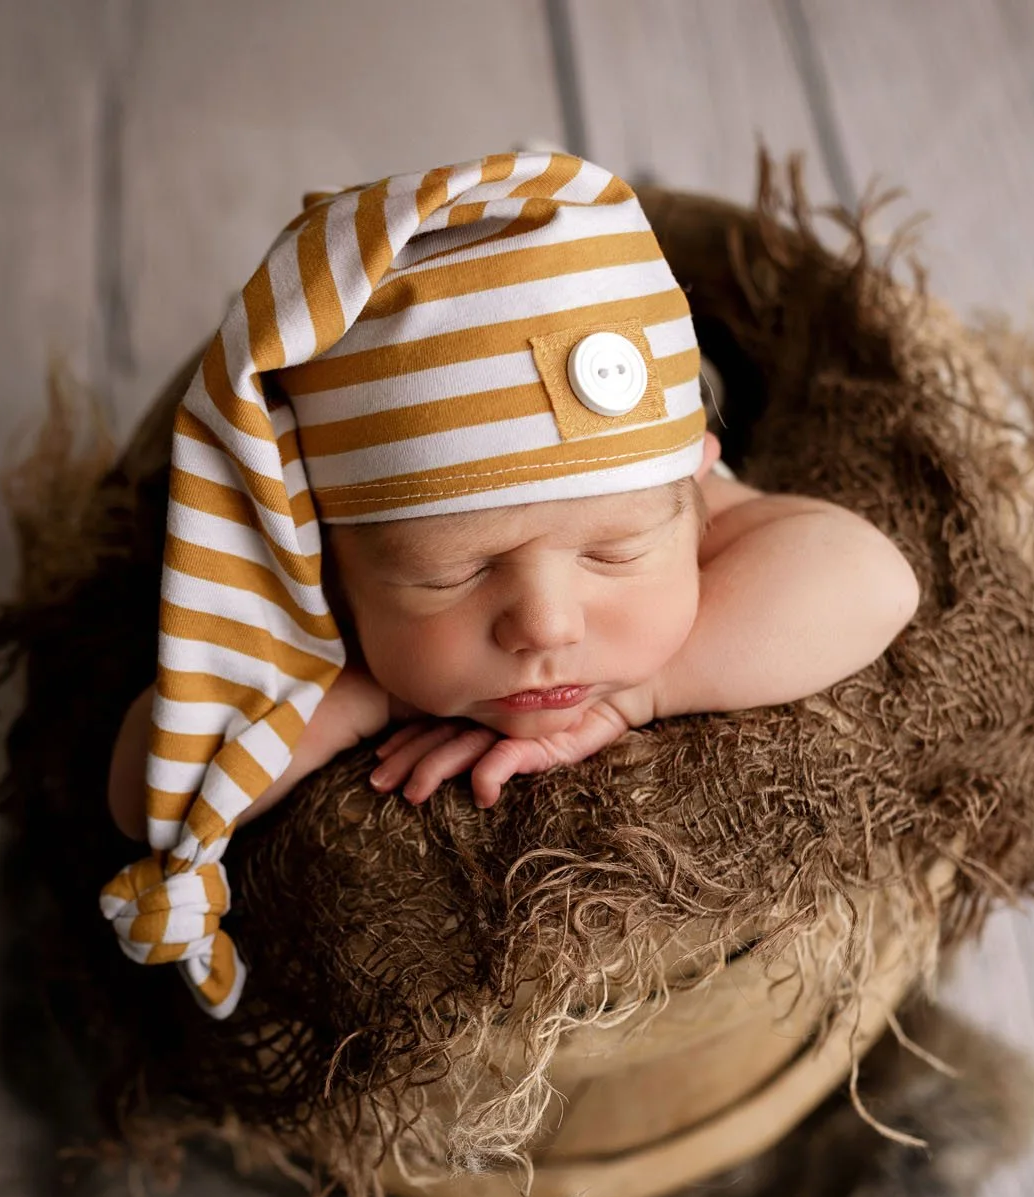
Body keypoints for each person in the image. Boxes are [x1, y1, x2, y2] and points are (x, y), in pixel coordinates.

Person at [100, 150, 918, 1018]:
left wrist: (633, 698)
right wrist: (357, 694)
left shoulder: (674, 489)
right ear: (322, 557)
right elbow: (143, 794)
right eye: (454, 572)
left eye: (611, 555)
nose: (545, 623)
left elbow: (876, 582)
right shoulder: (328, 603)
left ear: (698, 483)